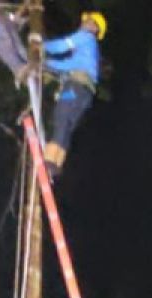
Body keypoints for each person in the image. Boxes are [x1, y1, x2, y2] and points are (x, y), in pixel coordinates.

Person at [42, 11, 106, 178]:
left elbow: (62, 46)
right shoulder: (90, 52)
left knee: (61, 118)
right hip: (84, 94)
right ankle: (56, 163)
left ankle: (49, 159)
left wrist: (41, 46)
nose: (83, 23)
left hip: (75, 88)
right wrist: (49, 65)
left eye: (87, 21)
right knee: (67, 126)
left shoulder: (86, 37)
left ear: (94, 27)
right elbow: (69, 64)